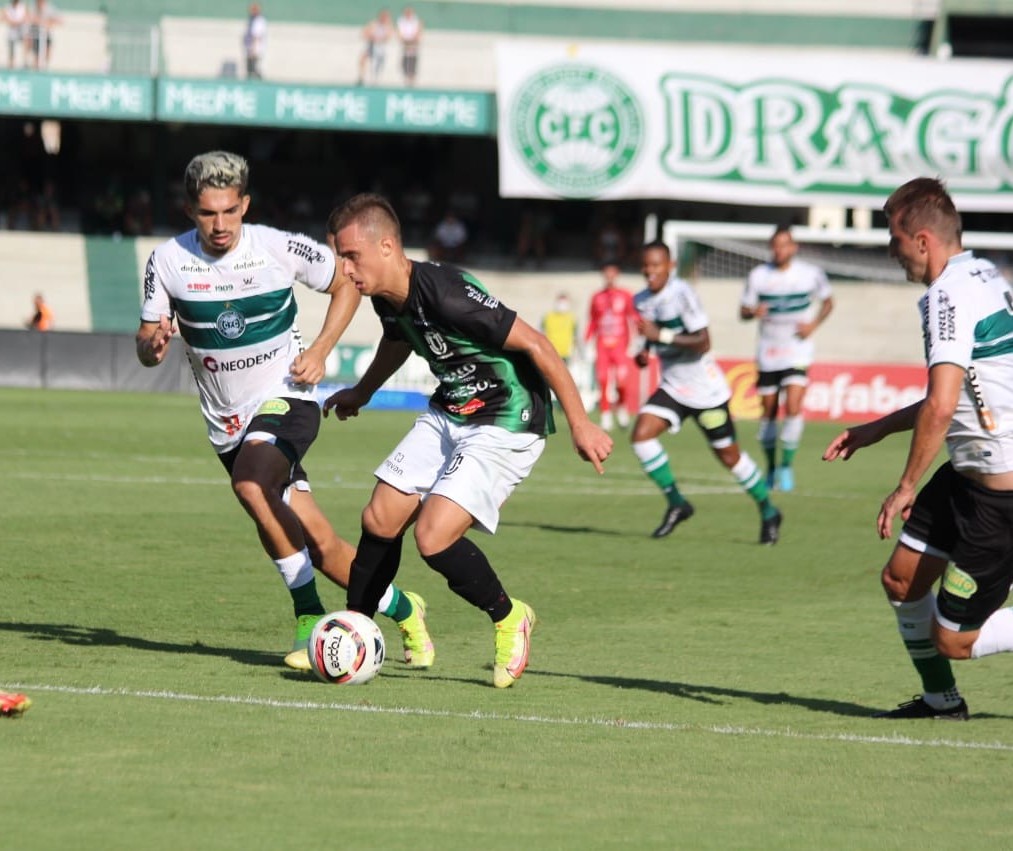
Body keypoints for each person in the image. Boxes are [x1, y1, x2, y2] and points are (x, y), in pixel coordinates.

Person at [135, 151, 433, 672]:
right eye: (208, 213)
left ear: (245, 205)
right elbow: (145, 340)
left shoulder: (277, 247)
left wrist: (319, 349)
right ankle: (406, 608)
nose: (220, 224)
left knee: (252, 485)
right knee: (317, 541)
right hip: (226, 424)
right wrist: (152, 343)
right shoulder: (166, 261)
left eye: (230, 211)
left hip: (287, 394)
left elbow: (345, 282)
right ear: (190, 211)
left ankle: (308, 616)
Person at [321, 193, 613, 688]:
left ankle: (509, 616)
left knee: (432, 538)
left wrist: (580, 421)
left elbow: (538, 344)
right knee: (380, 517)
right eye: (340, 257)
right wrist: (362, 392)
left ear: (387, 246)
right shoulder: (386, 296)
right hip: (453, 407)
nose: (344, 268)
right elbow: (397, 339)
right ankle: (356, 632)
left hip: (507, 416)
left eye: (351, 256)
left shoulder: (447, 291)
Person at [823, 176, 1013, 720]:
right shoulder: (982, 272)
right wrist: (875, 429)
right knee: (902, 578)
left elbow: (941, 403)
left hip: (999, 498)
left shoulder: (947, 294)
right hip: (967, 475)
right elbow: (952, 398)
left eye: (895, 239)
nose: (892, 251)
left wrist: (905, 486)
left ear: (924, 241)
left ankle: (946, 682)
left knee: (957, 640)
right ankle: (940, 701)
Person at [633, 240, 783, 542]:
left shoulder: (683, 295)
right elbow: (652, 334)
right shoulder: (642, 300)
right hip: (674, 387)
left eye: (656, 265)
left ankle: (768, 510)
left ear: (670, 266)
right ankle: (677, 503)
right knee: (641, 436)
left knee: (730, 458)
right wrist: (645, 349)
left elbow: (703, 342)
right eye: (646, 266)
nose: (650, 271)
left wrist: (659, 335)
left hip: (706, 392)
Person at [740, 226, 833, 492]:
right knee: (768, 412)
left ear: (794, 247)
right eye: (776, 245)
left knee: (792, 405)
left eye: (785, 245)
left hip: (797, 349)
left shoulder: (810, 274)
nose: (780, 250)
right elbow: (743, 311)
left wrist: (813, 325)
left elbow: (828, 301)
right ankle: (770, 467)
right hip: (768, 352)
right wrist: (753, 311)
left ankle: (786, 466)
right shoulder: (758, 276)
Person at [585, 260, 638, 431]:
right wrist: (587, 341)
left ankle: (621, 408)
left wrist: (638, 340)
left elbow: (634, 317)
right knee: (603, 380)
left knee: (622, 381)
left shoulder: (626, 295)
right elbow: (593, 321)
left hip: (620, 344)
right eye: (606, 274)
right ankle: (605, 415)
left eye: (612, 274)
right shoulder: (596, 297)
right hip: (602, 345)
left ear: (617, 275)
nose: (609, 278)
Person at [357, 9, 392, 86]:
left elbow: (388, 37)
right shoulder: (374, 24)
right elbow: (364, 33)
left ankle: (375, 79)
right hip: (371, 45)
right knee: (363, 58)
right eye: (382, 16)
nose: (384, 18)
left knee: (377, 63)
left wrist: (379, 39)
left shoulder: (388, 26)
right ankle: (362, 77)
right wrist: (372, 37)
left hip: (380, 47)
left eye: (385, 17)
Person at [542, 292, 577, 365]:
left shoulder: (572, 318)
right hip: (551, 352)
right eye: (561, 302)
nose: (562, 305)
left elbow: (576, 336)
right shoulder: (548, 316)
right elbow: (539, 332)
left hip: (566, 354)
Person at [25, 0, 58, 70]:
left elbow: (58, 20)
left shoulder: (50, 8)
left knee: (47, 51)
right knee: (36, 54)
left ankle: (45, 67)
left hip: (46, 34)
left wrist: (47, 23)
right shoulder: (32, 8)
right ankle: (35, 67)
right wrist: (39, 21)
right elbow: (29, 18)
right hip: (36, 34)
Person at [395, 5, 421, 87]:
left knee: (413, 61)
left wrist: (413, 40)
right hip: (405, 44)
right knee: (405, 61)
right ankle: (405, 78)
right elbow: (400, 33)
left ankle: (412, 79)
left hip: (413, 44)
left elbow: (418, 33)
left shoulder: (416, 21)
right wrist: (405, 41)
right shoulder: (401, 21)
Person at [242, 3, 267, 80]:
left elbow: (256, 36)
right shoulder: (251, 20)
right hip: (250, 48)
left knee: (254, 68)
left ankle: (257, 84)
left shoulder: (259, 21)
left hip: (255, 48)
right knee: (250, 68)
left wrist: (253, 49)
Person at [3, 0, 28, 68]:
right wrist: (15, 22)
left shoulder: (23, 6)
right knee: (11, 49)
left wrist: (16, 22)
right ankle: (11, 64)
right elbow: (5, 18)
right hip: (11, 32)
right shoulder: (8, 7)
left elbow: (25, 17)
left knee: (25, 44)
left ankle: (25, 62)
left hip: (21, 30)